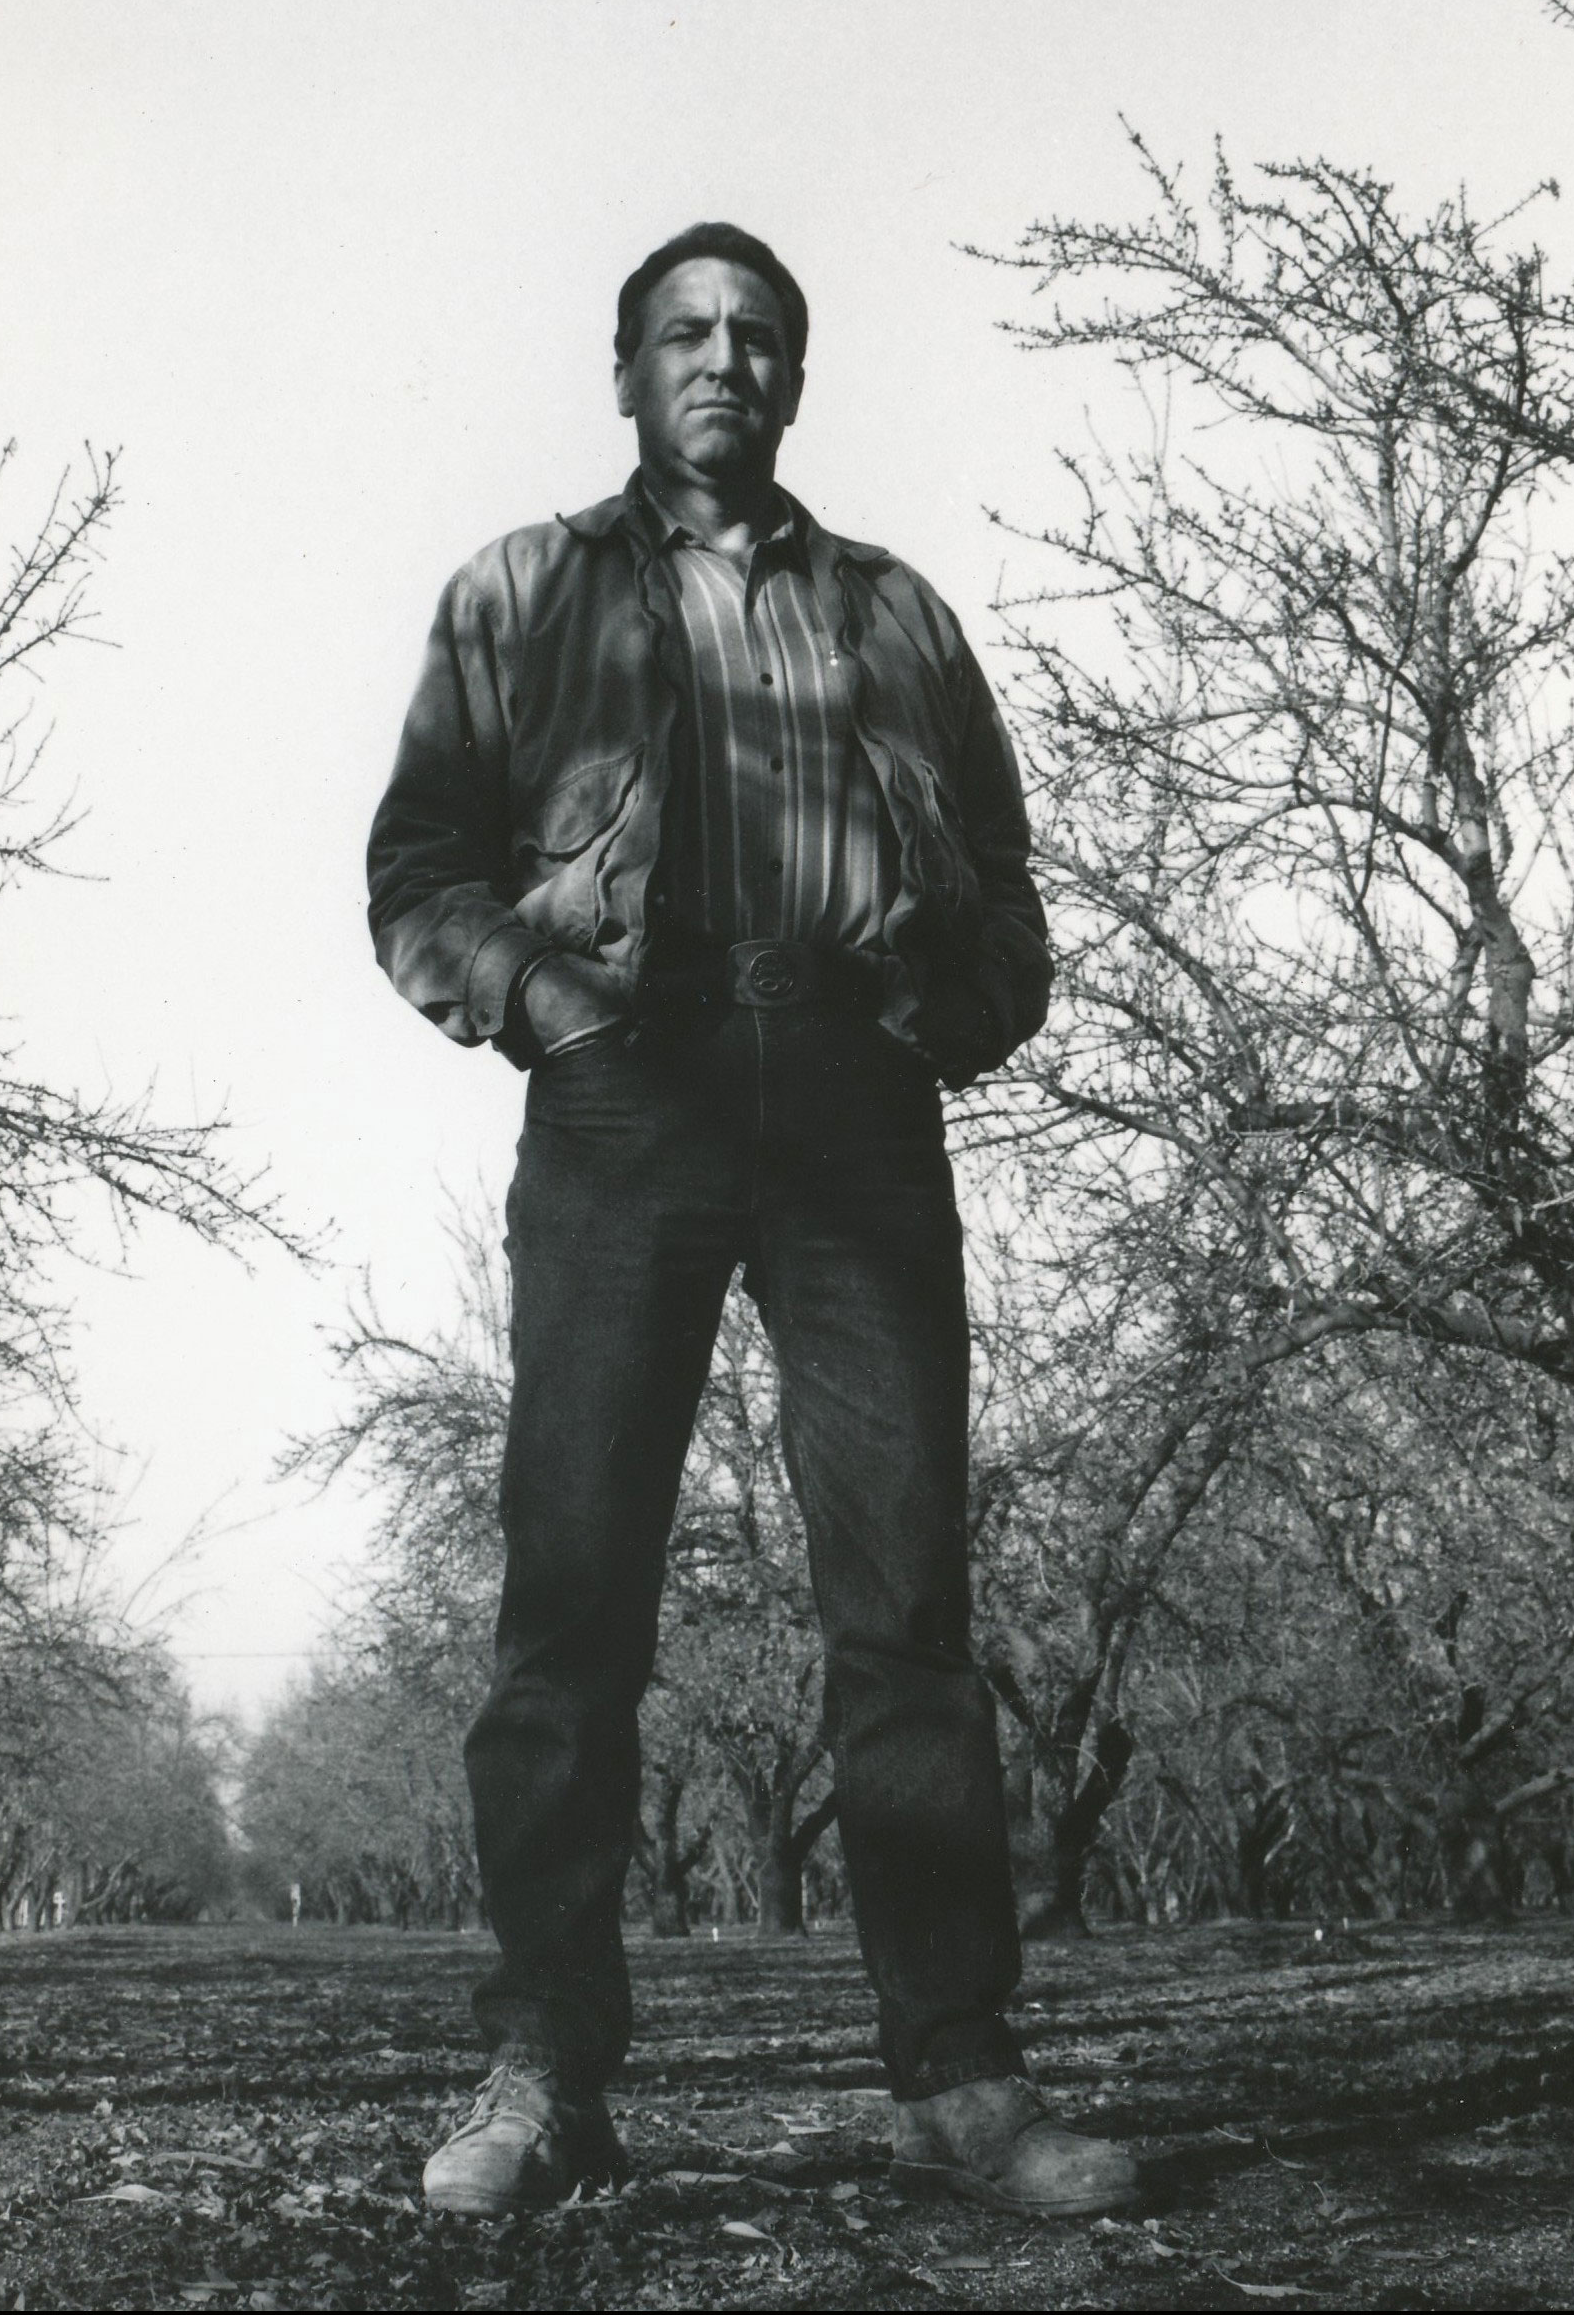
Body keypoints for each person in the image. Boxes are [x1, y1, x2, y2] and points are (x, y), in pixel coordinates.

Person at [365, 223, 1140, 2220]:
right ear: (626, 371)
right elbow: (420, 866)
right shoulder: (521, 594)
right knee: (574, 1606)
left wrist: (944, 1018)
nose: (723, 358)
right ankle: (547, 2067)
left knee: (905, 1609)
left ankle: (960, 2080)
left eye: (758, 334)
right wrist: (544, 1000)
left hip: (856, 1112)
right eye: (685, 332)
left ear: (797, 375)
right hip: (629, 1092)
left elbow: (1013, 894)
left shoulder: (896, 617)